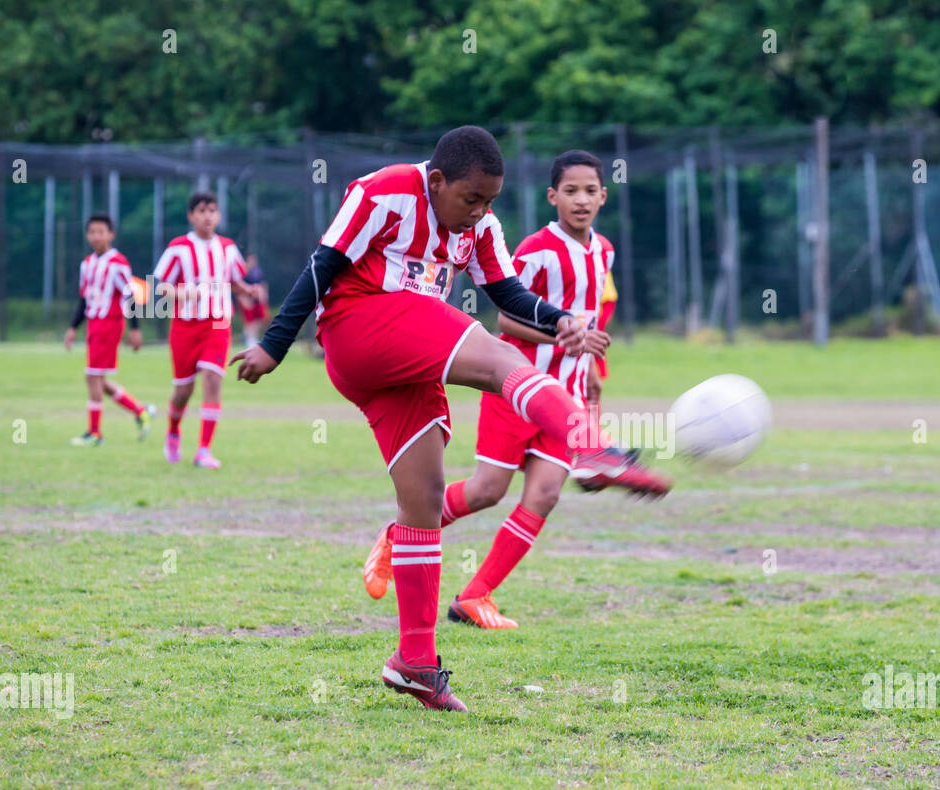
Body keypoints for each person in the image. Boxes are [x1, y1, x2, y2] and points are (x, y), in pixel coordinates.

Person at [229, 126, 669, 712]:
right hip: (360, 329)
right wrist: (273, 346)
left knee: (424, 502)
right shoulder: (385, 191)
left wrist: (558, 317)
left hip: (401, 367)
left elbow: (507, 292)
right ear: (436, 182)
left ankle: (413, 662)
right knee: (501, 358)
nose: (481, 213)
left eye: (491, 201)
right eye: (471, 200)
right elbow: (322, 265)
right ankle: (590, 446)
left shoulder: (479, 224)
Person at [362, 149, 617, 632]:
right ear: (553, 197)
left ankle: (476, 595)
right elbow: (506, 316)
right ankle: (399, 534)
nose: (581, 200)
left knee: (544, 495)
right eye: (570, 190)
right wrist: (565, 333)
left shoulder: (603, 252)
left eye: (590, 191)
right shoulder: (536, 249)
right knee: (486, 491)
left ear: (603, 196)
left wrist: (592, 379)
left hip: (570, 392)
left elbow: (592, 321)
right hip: (519, 390)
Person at [152, 191, 258, 468]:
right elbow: (160, 286)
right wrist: (183, 294)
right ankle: (173, 429)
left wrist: (247, 290)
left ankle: (203, 450)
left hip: (219, 322)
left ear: (219, 215)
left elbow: (233, 281)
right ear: (191, 216)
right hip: (185, 325)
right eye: (201, 211)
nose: (207, 216)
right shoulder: (178, 248)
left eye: (212, 210)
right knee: (183, 390)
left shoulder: (228, 248)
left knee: (213, 378)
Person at [63, 213, 154, 446]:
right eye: (92, 232)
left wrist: (135, 329)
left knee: (92, 376)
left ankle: (94, 433)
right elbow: (84, 300)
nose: (96, 236)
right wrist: (73, 328)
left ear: (111, 234)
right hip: (93, 324)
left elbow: (130, 295)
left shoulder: (118, 263)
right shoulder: (87, 264)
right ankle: (140, 411)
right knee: (99, 381)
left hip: (109, 324)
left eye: (100, 232)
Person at [238, 253, 269, 348]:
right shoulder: (243, 272)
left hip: (257, 299)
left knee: (259, 319)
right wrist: (243, 298)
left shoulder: (258, 271)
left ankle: (253, 337)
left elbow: (263, 284)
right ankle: (249, 339)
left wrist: (264, 296)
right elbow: (238, 285)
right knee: (249, 321)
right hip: (247, 298)